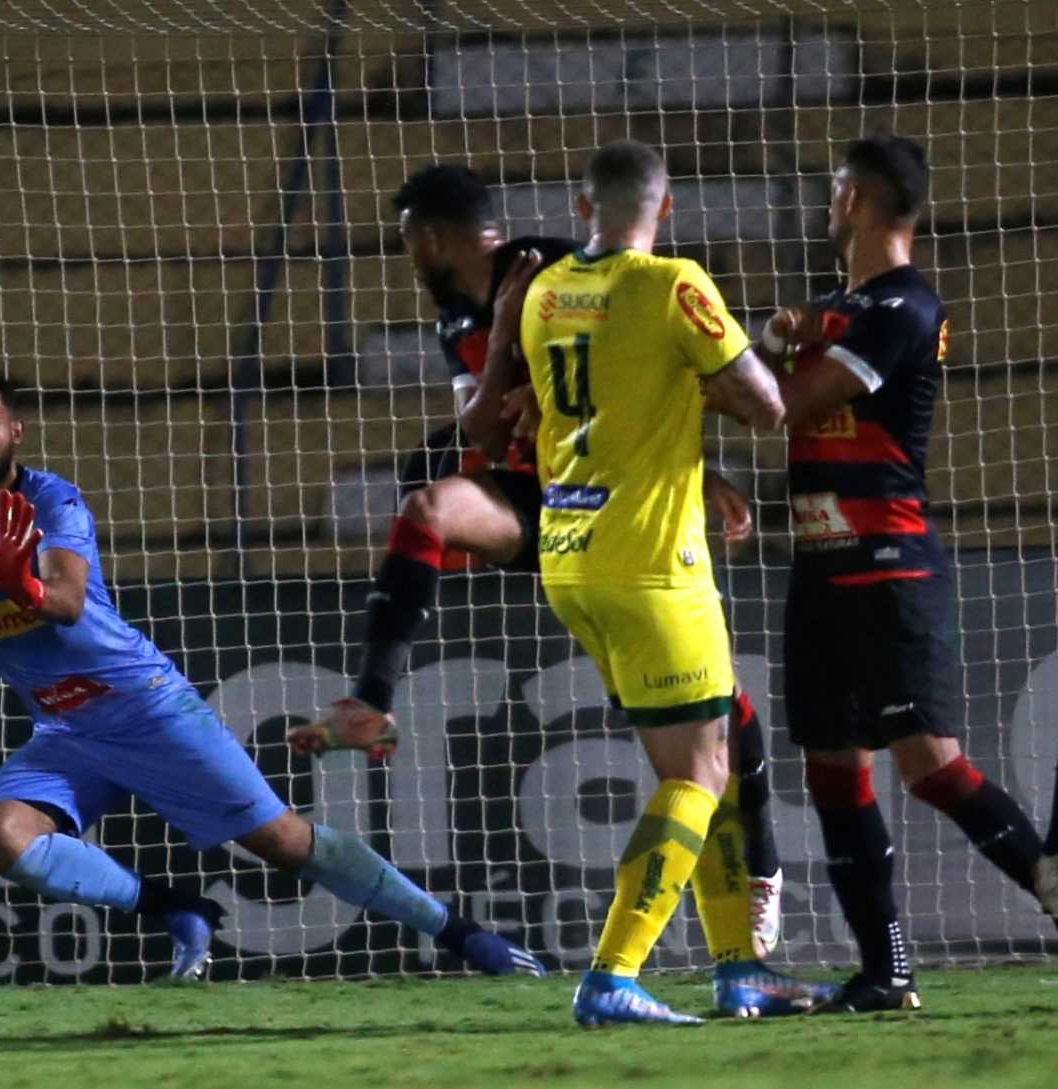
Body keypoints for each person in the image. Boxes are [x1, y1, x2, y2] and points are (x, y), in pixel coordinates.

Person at [0, 368, 545, 982]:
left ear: (16, 433)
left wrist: (24, 583)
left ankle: (464, 935)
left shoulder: (53, 501)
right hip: (66, 727)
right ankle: (174, 907)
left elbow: (71, 601)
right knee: (0, 837)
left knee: (284, 844)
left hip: (142, 702)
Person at [293, 162, 785, 958]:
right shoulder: (460, 317)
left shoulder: (561, 272)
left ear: (428, 236)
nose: (406, 253)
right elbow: (486, 429)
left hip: (618, 506)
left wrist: (704, 474)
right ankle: (370, 699)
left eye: (407, 239)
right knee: (427, 505)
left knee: (714, 714)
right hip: (551, 510)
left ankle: (756, 866)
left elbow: (646, 374)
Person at [461, 139, 834, 1025]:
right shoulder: (676, 285)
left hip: (571, 555)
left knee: (708, 755)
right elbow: (768, 404)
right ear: (663, 211)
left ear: (584, 209)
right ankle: (613, 976)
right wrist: (733, 358)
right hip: (654, 561)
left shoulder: (543, 293)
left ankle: (741, 967)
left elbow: (483, 430)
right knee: (703, 772)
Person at [755, 136, 1054, 1012]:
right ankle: (887, 972)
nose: (828, 202)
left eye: (834, 190)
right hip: (820, 564)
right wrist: (786, 331)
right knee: (829, 765)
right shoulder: (842, 307)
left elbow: (790, 405)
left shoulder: (906, 304)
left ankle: (1048, 886)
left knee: (930, 766)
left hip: (889, 563)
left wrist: (758, 350)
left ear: (853, 199)